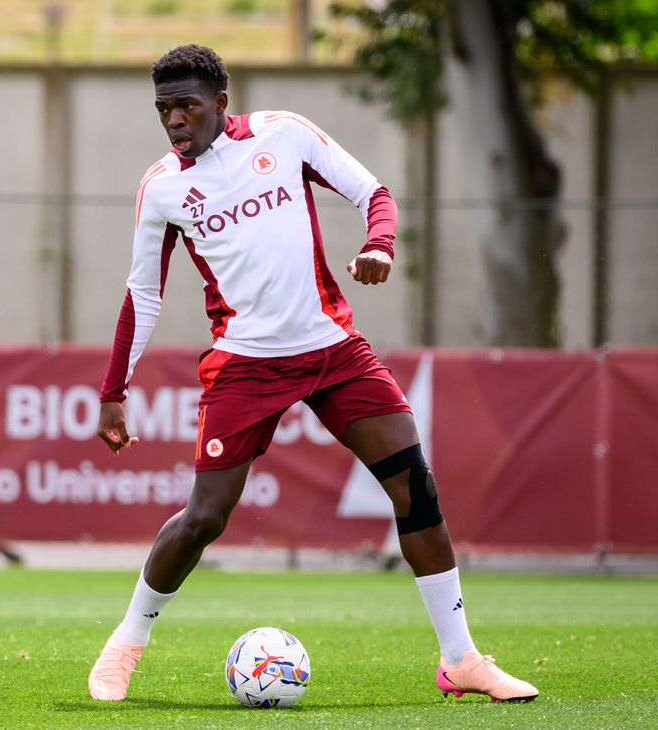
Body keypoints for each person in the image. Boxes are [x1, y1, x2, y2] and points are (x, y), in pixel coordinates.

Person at [87, 44, 538, 705]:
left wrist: (379, 244)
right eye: (164, 109)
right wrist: (113, 392)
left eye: (185, 105)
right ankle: (124, 646)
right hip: (245, 364)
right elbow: (142, 295)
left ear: (220, 102)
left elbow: (373, 193)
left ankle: (462, 658)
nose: (175, 119)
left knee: (417, 489)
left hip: (334, 353)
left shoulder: (285, 136)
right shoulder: (162, 188)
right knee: (204, 518)